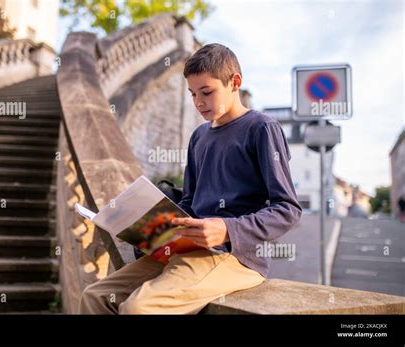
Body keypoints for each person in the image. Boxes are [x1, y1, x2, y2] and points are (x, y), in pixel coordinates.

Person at [79, 43, 302, 314]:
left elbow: (288, 210)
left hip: (235, 258)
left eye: (207, 92)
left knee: (139, 308)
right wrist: (143, 226)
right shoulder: (199, 137)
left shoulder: (262, 128)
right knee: (96, 295)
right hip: (184, 250)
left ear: (235, 82)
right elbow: (189, 203)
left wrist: (227, 229)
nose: (198, 102)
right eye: (192, 94)